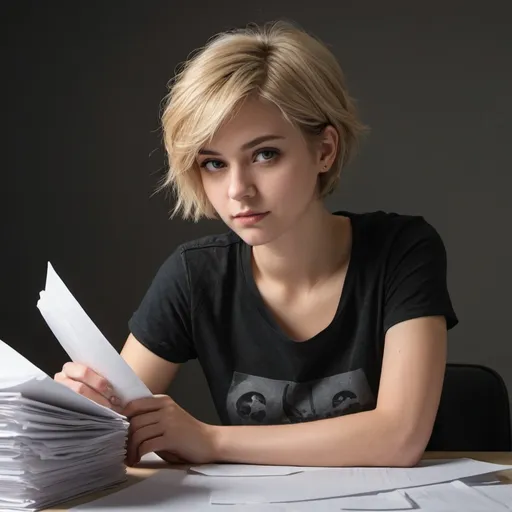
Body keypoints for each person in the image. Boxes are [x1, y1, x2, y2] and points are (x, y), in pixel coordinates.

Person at [54, 20, 458, 468]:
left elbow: (398, 439)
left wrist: (211, 441)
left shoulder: (401, 251)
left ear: (324, 149)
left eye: (265, 154)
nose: (238, 190)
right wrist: (92, 412)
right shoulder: (196, 276)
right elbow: (122, 425)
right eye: (213, 163)